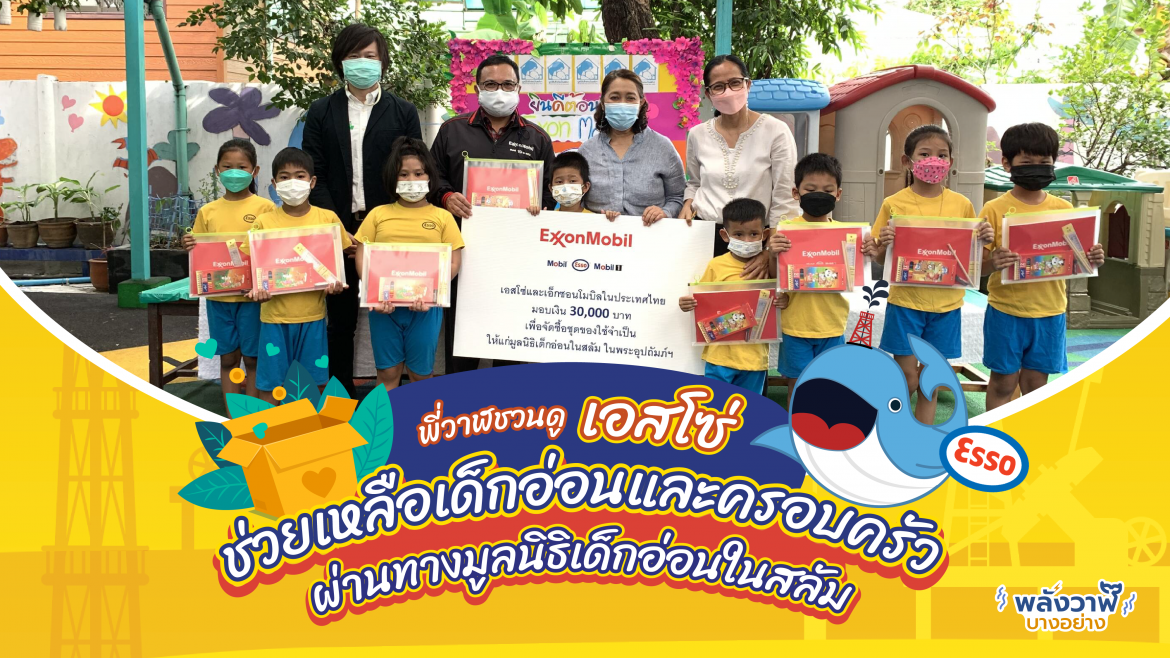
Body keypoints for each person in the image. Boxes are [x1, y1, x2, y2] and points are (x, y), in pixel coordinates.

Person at [301, 23, 423, 396]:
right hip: (337, 231)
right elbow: (314, 174)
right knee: (340, 324)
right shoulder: (321, 111)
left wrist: (383, 228)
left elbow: (412, 171)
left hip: (389, 233)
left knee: (398, 314)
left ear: (383, 61)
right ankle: (340, 398)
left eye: (370, 55)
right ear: (340, 62)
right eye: (354, 56)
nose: (362, 62)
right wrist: (339, 230)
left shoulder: (403, 111)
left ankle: (402, 399)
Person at [429, 53, 556, 374]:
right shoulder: (451, 131)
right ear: (477, 88)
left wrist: (540, 207)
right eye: (490, 84)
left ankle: (506, 400)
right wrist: (446, 196)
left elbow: (550, 193)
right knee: (461, 341)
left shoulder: (537, 138)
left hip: (515, 257)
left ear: (519, 88)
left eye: (507, 84)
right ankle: (459, 400)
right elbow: (431, 178)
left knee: (510, 339)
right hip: (462, 252)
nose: (499, 91)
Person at [862, 125, 993, 423]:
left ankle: (923, 432)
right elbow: (880, 256)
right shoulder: (894, 203)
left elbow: (973, 258)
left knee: (932, 378)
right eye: (924, 154)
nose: (934, 160)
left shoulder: (962, 205)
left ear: (951, 161)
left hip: (947, 307)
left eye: (942, 155)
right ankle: (887, 424)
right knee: (906, 376)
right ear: (907, 161)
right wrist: (883, 245)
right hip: (906, 304)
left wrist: (983, 240)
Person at [980, 123, 1105, 411]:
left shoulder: (1064, 210)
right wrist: (994, 261)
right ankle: (994, 433)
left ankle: (1029, 434)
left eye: (1044, 161)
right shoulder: (993, 209)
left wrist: (1093, 258)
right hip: (1005, 312)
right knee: (1003, 384)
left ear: (1053, 163)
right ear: (1007, 163)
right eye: (1027, 162)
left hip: (1050, 312)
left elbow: (1078, 261)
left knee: (1036, 385)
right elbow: (979, 268)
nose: (1036, 168)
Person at [243, 148, 352, 403]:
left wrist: (336, 283)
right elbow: (252, 268)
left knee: (311, 384)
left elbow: (337, 265)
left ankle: (305, 428)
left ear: (312, 182)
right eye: (284, 177)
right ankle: (270, 428)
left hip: (313, 318)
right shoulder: (263, 223)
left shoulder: (328, 219)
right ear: (274, 184)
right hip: (273, 320)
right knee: (271, 385)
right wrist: (257, 288)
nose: (292, 182)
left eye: (300, 176)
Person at [355, 137, 464, 391]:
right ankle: (384, 419)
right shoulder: (378, 215)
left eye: (418, 173)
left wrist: (430, 293)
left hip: (425, 310)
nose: (411, 180)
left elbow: (454, 261)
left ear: (430, 176)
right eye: (403, 174)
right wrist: (374, 293)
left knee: (421, 375)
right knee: (387, 374)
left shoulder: (443, 217)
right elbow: (362, 256)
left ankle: (418, 418)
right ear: (393, 178)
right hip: (384, 308)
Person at [680, 55, 800, 273]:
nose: (728, 91)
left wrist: (768, 251)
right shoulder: (697, 134)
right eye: (718, 86)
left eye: (735, 83)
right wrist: (688, 203)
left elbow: (785, 197)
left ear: (748, 84)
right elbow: (695, 183)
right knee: (704, 292)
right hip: (705, 236)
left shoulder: (775, 131)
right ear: (708, 94)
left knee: (754, 295)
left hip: (756, 239)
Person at [182, 138, 274, 403]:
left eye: (242, 167)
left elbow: (273, 249)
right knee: (228, 359)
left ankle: (253, 411)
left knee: (253, 359)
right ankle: (234, 413)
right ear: (217, 170)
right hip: (219, 300)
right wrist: (188, 244)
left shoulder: (266, 208)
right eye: (227, 166)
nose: (234, 173)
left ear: (255, 171)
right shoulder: (207, 212)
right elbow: (199, 250)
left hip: (253, 299)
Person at [768, 154, 850, 406]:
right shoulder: (784, 231)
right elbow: (774, 277)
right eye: (811, 190)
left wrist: (867, 249)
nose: (819, 195)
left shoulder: (847, 235)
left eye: (828, 190)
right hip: (795, 326)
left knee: (829, 385)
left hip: (832, 325)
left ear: (838, 194)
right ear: (796, 192)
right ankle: (796, 426)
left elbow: (857, 272)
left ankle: (825, 427)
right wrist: (772, 253)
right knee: (797, 386)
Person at [678, 198, 772, 395]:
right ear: (725, 235)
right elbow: (700, 301)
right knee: (715, 406)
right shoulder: (716, 265)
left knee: (750, 409)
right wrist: (687, 303)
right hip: (719, 356)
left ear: (764, 234)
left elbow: (780, 303)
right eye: (738, 234)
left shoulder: (769, 268)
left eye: (754, 234)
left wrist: (782, 301)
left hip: (754, 358)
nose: (747, 241)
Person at [577, 68, 685, 225]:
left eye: (630, 98)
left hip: (649, 236)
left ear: (641, 103)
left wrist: (665, 212)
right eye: (614, 97)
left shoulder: (663, 147)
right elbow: (576, 200)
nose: (622, 103)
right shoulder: (586, 151)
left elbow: (678, 197)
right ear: (603, 103)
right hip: (599, 237)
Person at [548, 151, 618, 218]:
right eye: (559, 182)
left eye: (572, 181)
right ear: (551, 188)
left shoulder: (593, 219)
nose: (565, 186)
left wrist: (608, 221)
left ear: (585, 186)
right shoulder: (547, 218)